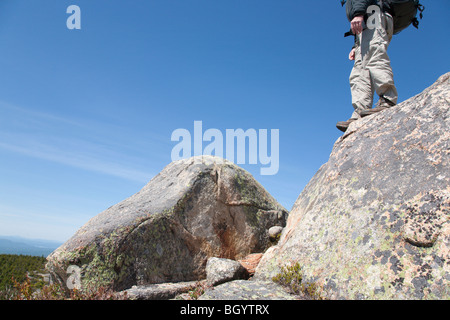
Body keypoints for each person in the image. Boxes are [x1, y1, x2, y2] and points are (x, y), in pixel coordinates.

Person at [337, 0, 398, 132]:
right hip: (365, 24)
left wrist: (358, 14)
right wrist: (355, 46)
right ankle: (360, 111)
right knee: (359, 71)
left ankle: (388, 100)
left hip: (373, 15)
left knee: (375, 58)